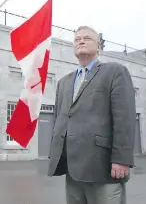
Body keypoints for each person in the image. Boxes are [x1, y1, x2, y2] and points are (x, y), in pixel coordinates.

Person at [48, 26, 136, 204]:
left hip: (102, 168)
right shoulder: (64, 82)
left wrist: (121, 159)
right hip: (72, 170)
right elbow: (59, 119)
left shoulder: (114, 72)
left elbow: (124, 119)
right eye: (77, 39)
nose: (81, 41)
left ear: (99, 46)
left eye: (87, 38)